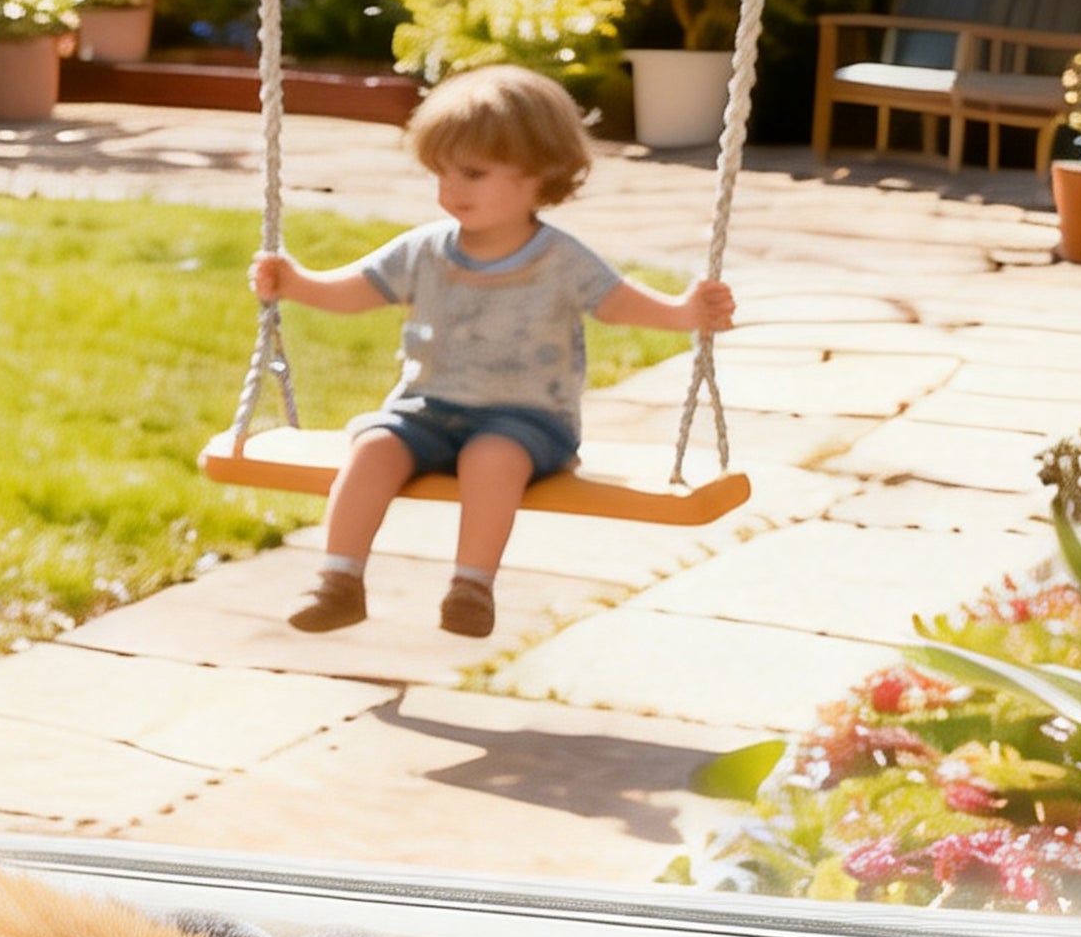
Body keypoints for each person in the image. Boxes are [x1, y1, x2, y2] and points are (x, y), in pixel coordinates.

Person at [247, 62, 735, 639]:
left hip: (526, 421)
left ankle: (471, 588)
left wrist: (683, 313)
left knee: (491, 459)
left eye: (473, 174)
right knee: (373, 447)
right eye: (441, 174)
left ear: (540, 172)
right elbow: (356, 291)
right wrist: (297, 283)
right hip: (426, 410)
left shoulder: (560, 260)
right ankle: (338, 582)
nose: (450, 191)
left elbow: (619, 303)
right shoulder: (424, 250)